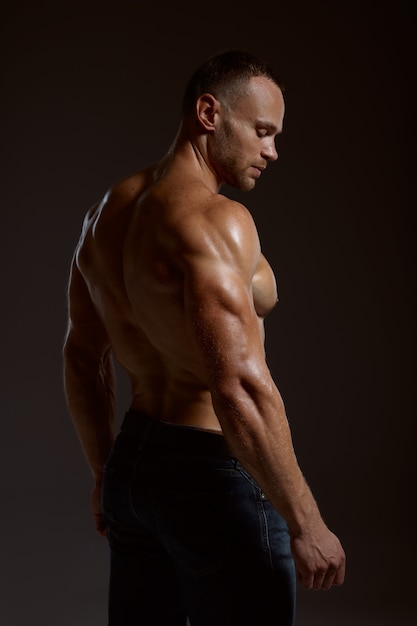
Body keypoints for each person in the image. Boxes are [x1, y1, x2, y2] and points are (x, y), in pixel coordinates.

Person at [63, 49, 345, 626]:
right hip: (209, 474)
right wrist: (307, 522)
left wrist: (102, 476)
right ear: (209, 113)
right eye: (262, 132)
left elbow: (82, 359)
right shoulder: (217, 221)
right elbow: (237, 383)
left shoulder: (102, 217)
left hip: (133, 470)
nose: (273, 151)